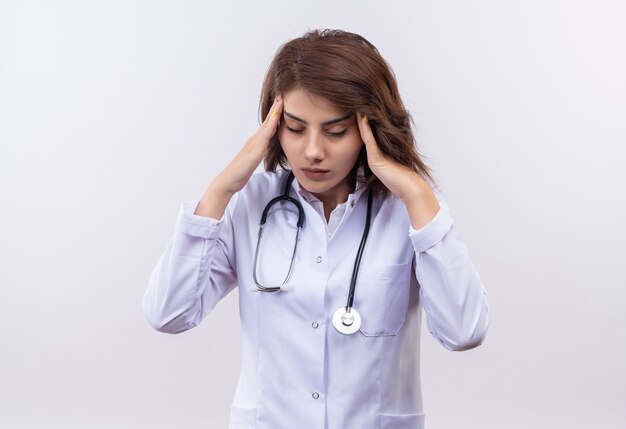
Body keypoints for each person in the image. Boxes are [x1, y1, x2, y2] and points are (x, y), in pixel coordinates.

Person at [143, 29, 489, 429]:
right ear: (273, 127)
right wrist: (220, 189)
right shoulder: (249, 206)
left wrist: (416, 192)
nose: (312, 151)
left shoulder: (411, 211)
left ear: (369, 128)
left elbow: (464, 331)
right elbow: (167, 313)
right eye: (294, 127)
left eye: (335, 131)